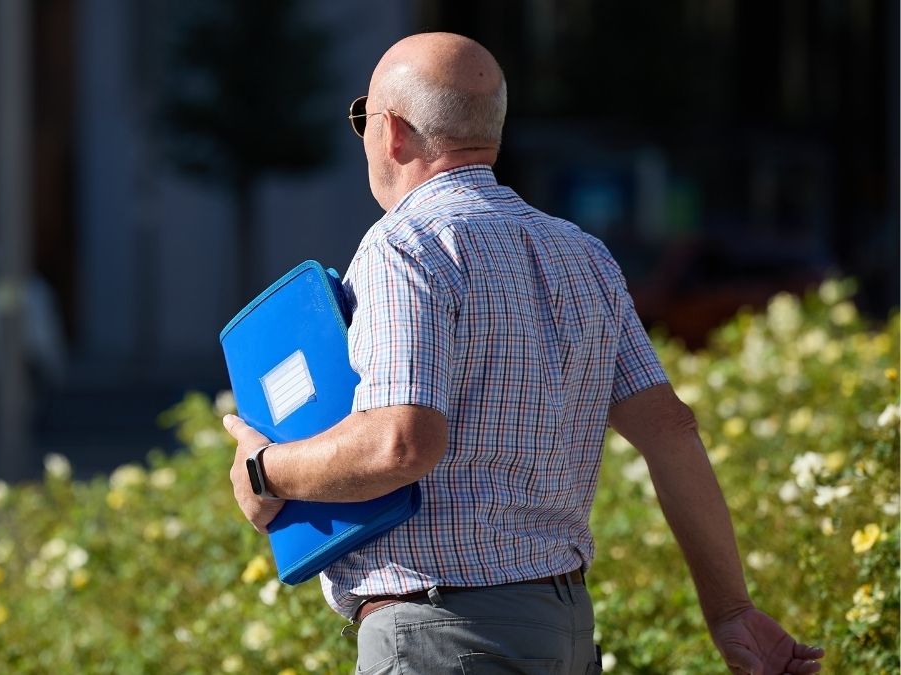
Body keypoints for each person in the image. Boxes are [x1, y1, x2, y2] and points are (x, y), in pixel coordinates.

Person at [222, 32, 824, 675]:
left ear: (391, 131)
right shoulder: (582, 253)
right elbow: (671, 431)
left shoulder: (404, 247)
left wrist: (265, 471)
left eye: (361, 118)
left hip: (440, 635)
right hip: (564, 630)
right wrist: (731, 610)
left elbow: (401, 444)